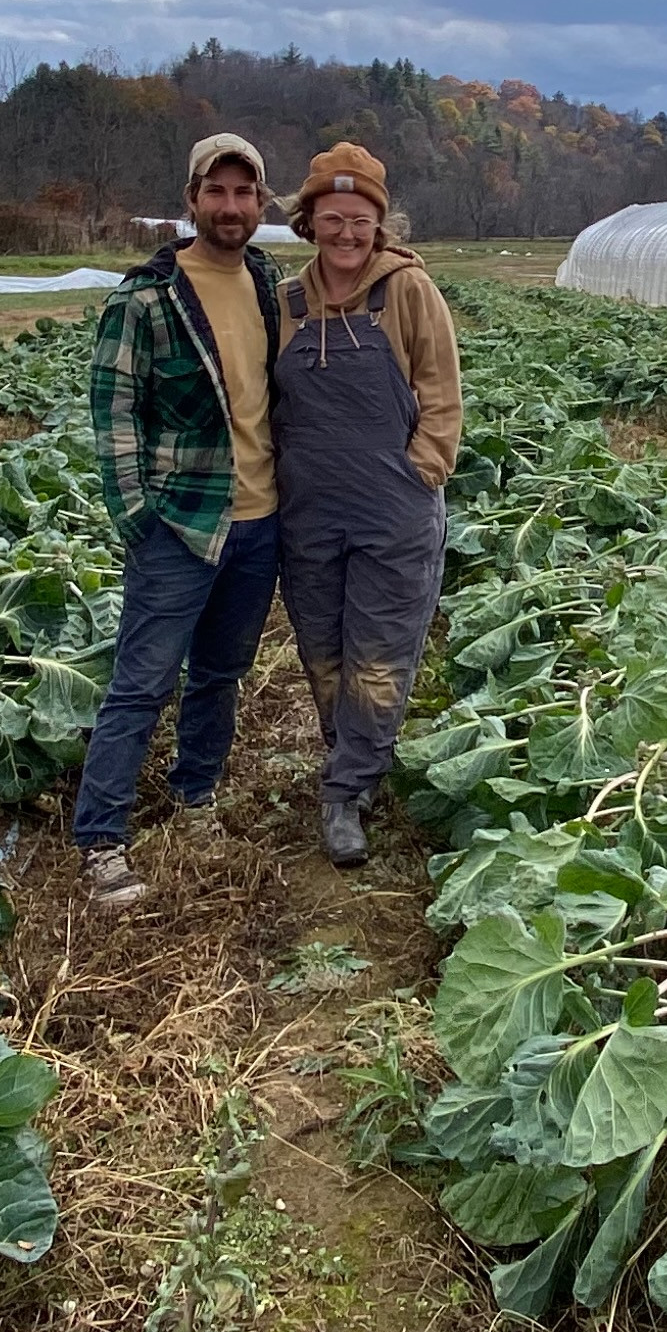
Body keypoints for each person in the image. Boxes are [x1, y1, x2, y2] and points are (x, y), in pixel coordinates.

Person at [74, 132, 286, 908]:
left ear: (260, 204)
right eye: (216, 192)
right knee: (142, 682)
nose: (231, 208)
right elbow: (114, 413)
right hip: (181, 524)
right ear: (192, 200)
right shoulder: (145, 299)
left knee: (221, 675)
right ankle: (101, 839)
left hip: (259, 521)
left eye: (245, 194)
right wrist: (137, 516)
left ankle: (196, 797)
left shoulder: (266, 281)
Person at [271, 141, 459, 867]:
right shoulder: (286, 301)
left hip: (392, 509)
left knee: (377, 659)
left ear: (380, 226)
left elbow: (441, 395)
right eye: (332, 218)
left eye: (360, 221)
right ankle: (352, 754)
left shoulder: (407, 292)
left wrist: (422, 470)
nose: (346, 234)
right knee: (323, 653)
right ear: (308, 221)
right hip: (309, 510)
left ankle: (347, 791)